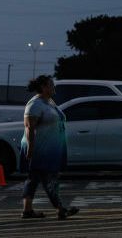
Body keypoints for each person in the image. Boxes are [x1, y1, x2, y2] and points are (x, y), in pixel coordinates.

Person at [20, 75, 78, 220]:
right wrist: (31, 149)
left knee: (33, 179)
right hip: (41, 150)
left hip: (51, 148)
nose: (54, 87)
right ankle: (61, 209)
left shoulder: (49, 101)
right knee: (50, 179)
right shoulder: (35, 104)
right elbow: (29, 128)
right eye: (51, 84)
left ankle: (27, 211)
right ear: (44, 87)